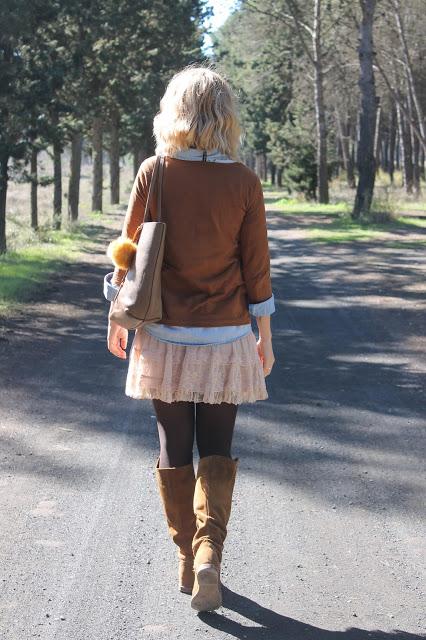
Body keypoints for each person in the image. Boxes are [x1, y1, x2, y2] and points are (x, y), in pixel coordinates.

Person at [103, 64, 276, 612]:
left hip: (164, 334)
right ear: (225, 115)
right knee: (217, 450)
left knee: (172, 448)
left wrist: (117, 314)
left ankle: (184, 556)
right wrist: (264, 334)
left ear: (173, 111)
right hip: (225, 336)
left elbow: (130, 253)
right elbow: (257, 269)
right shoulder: (245, 181)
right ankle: (209, 556)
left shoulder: (155, 172)